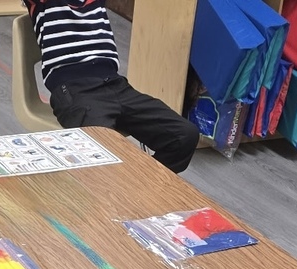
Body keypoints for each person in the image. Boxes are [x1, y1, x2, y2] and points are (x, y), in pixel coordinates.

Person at [21, 0, 200, 173]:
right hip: (75, 89)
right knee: (101, 155)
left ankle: (139, 190)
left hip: (116, 84)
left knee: (184, 135)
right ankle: (118, 193)